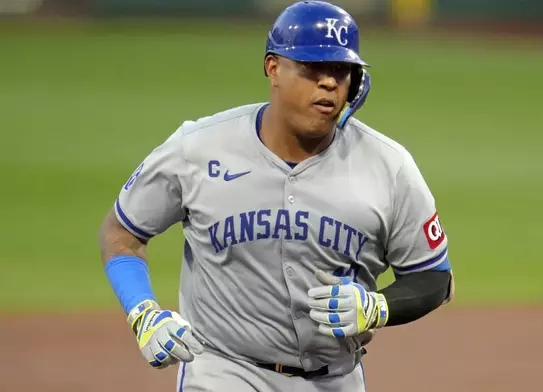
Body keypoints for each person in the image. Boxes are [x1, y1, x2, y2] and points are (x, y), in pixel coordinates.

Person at [98, 1, 454, 391]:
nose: (329, 84)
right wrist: (143, 312)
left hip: (335, 379)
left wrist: (378, 307)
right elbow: (123, 233)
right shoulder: (198, 148)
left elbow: (433, 278)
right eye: (312, 69)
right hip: (223, 371)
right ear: (273, 68)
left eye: (341, 71)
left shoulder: (389, 166)